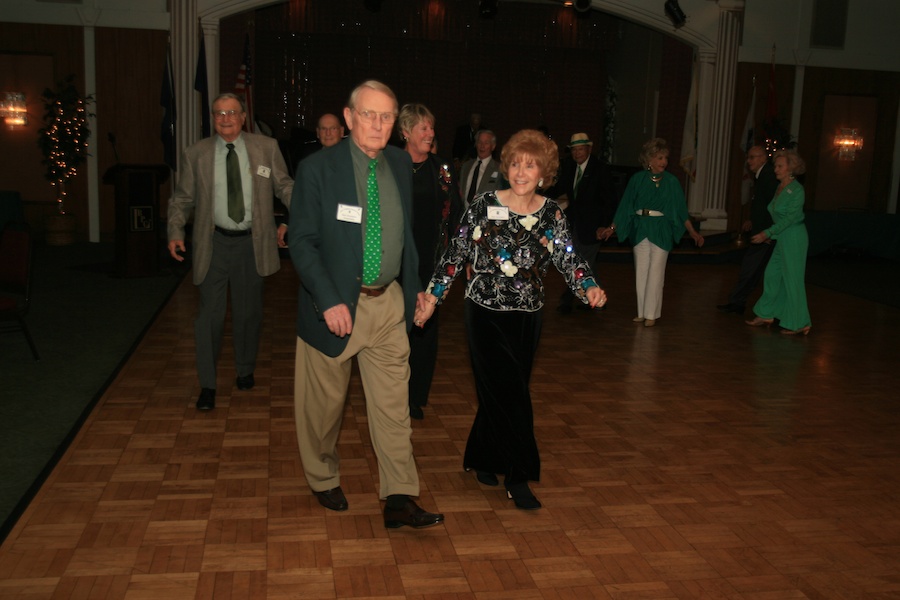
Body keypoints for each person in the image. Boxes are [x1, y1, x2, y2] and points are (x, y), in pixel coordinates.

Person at [414, 129, 607, 510]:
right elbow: (455, 254)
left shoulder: (551, 213)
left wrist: (588, 287)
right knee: (512, 393)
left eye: (530, 165)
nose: (521, 171)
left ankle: (482, 456)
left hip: (528, 315)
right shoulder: (484, 205)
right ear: (507, 167)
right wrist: (433, 298)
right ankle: (519, 474)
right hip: (484, 312)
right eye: (516, 163)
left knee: (502, 388)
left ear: (544, 172)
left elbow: (568, 257)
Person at [288, 80, 444, 529]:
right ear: (350, 116)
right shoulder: (318, 168)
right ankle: (322, 477)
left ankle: (399, 496)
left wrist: (414, 285)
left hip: (388, 305)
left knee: (394, 407)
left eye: (387, 116)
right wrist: (327, 298)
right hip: (336, 307)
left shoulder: (398, 161)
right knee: (323, 410)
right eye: (369, 114)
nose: (378, 124)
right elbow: (301, 241)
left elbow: (405, 234)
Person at [167, 92, 293, 410]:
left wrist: (307, 209)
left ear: (242, 115)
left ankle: (245, 370)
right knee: (208, 317)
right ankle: (207, 385)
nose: (225, 119)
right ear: (213, 118)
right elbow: (182, 198)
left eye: (231, 113)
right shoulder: (196, 153)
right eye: (219, 113)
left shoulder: (266, 147)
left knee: (248, 313)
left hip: (253, 243)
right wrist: (175, 230)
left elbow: (284, 186)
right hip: (214, 244)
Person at [398, 103, 462, 420]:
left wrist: (461, 256)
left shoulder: (443, 169)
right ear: (406, 132)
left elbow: (457, 216)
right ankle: (392, 394)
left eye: (432, 128)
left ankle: (415, 396)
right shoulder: (388, 164)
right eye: (423, 127)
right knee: (396, 329)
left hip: (432, 262)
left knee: (424, 329)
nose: (430, 133)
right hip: (395, 263)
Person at [598, 137, 703, 327]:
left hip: (661, 229)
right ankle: (641, 312)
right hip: (640, 228)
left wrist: (693, 232)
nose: (664, 162)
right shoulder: (637, 180)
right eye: (659, 158)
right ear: (649, 159)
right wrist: (612, 228)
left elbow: (680, 211)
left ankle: (652, 314)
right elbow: (625, 207)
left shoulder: (671, 182)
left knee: (656, 273)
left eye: (665, 158)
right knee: (641, 272)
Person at [545, 132, 617, 314]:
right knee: (583, 262)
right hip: (573, 223)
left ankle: (567, 300)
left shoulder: (600, 169)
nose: (577, 153)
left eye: (580, 149)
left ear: (589, 149)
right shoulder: (570, 167)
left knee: (583, 261)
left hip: (593, 226)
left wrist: (605, 226)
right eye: (574, 150)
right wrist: (538, 193)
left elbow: (609, 200)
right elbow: (559, 188)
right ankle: (596, 294)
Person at [746, 149, 811, 335]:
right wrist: (770, 234)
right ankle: (766, 313)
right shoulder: (780, 187)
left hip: (794, 238)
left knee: (793, 280)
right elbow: (776, 216)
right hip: (781, 237)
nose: (776, 169)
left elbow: (789, 219)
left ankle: (801, 323)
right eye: (776, 165)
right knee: (772, 275)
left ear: (791, 168)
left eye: (780, 166)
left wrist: (767, 233)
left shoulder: (797, 190)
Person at [717, 145, 777, 315]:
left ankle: (737, 303)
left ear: (763, 158)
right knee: (751, 270)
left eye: (752, 157)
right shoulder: (763, 176)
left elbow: (774, 206)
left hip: (764, 234)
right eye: (748, 157)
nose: (748, 161)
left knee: (750, 269)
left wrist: (767, 232)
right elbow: (763, 204)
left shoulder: (768, 175)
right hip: (762, 232)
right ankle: (738, 302)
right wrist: (752, 219)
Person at [459, 129, 502, 210]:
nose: (482, 146)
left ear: (493, 146)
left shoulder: (499, 169)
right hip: (463, 215)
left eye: (486, 143)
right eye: (479, 142)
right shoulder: (466, 166)